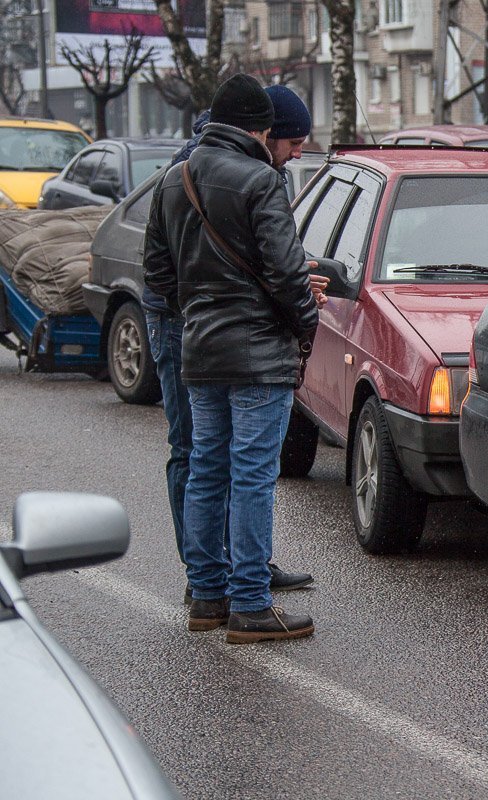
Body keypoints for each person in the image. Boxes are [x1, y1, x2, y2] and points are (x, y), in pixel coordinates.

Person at [144, 74, 320, 643]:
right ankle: (250, 603)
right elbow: (288, 272)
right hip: (257, 354)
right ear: (260, 128)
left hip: (200, 349)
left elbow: (157, 273)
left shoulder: (173, 179)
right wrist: (304, 324)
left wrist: (197, 312)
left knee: (205, 468)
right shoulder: (262, 181)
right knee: (251, 476)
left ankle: (207, 597)